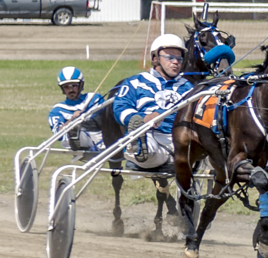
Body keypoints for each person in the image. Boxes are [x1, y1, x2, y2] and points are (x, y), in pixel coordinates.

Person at [113, 35, 194, 170]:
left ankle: (167, 158)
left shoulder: (189, 88)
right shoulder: (136, 82)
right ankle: (138, 146)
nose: (175, 62)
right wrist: (143, 118)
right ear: (155, 58)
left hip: (179, 138)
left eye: (179, 59)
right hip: (149, 133)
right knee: (149, 149)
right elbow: (120, 107)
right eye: (170, 57)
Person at [48, 66, 108, 154]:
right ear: (62, 89)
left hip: (100, 135)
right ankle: (75, 135)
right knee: (74, 133)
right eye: (66, 87)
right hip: (77, 142)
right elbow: (58, 135)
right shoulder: (57, 110)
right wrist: (72, 120)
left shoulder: (94, 98)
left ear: (81, 86)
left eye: (74, 86)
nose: (71, 90)